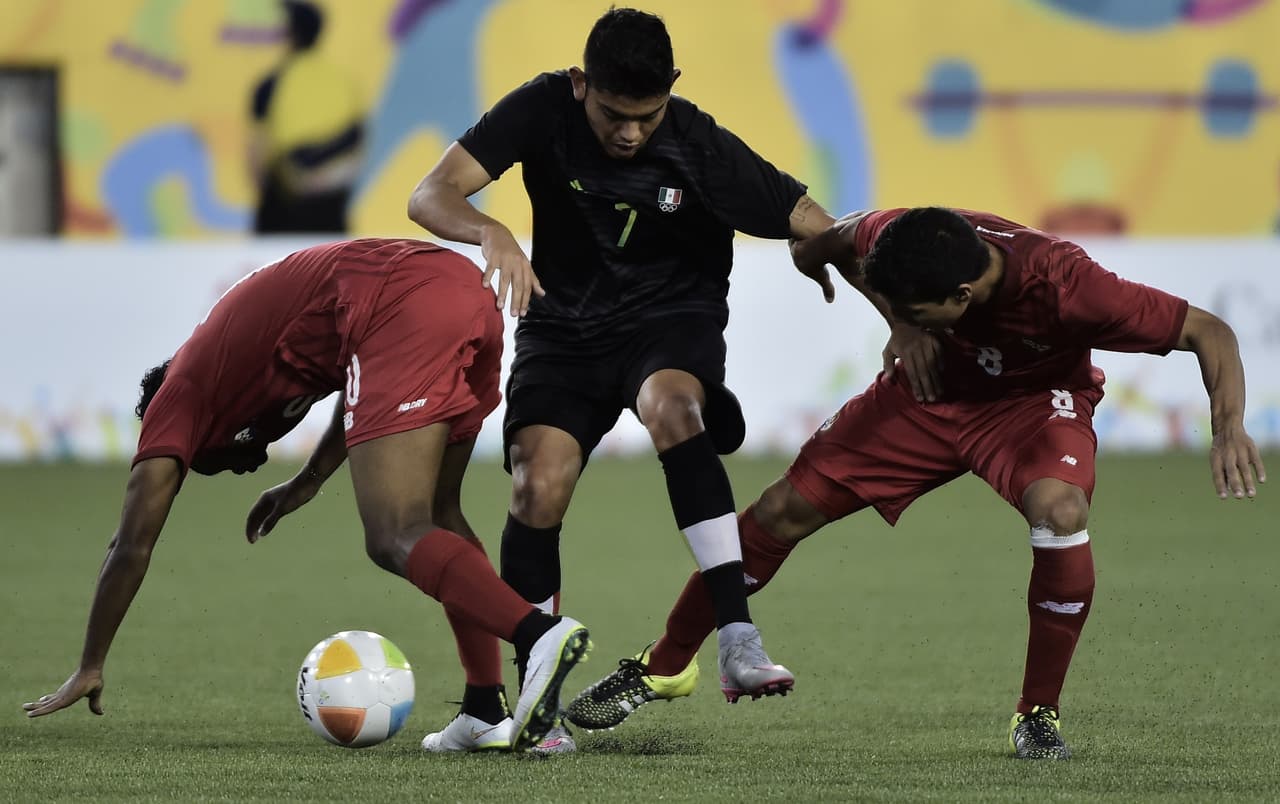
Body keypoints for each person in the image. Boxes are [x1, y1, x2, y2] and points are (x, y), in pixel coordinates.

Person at [565, 206, 1266, 760]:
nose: (900, 313)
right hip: (923, 399)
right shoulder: (906, 233)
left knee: (1060, 509)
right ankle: (665, 664)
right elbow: (825, 241)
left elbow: (1209, 331)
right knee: (778, 510)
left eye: (916, 310)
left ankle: (1037, 712)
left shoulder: (1070, 288)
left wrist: (1229, 427)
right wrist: (895, 319)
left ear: (962, 295)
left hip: (1028, 406)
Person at [407, 7, 837, 753]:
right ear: (582, 84)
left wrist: (885, 307)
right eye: (614, 114)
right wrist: (491, 230)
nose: (632, 133)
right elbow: (429, 193)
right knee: (536, 485)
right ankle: (539, 706)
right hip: (563, 329)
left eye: (648, 115)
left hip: (668, 320)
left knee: (672, 406)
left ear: (672, 89)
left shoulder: (698, 143)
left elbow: (814, 220)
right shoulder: (543, 107)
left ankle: (737, 638)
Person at [20, 238, 591, 754]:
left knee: (393, 533)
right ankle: (484, 710)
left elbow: (130, 546)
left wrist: (90, 663)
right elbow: (362, 385)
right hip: (461, 292)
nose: (243, 467)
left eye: (211, 465)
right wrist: (310, 479)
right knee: (440, 515)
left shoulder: (178, 397)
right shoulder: (234, 364)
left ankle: (537, 633)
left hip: (404, 302)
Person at [249, 1, 364, 234]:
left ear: (291, 34)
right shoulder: (342, 81)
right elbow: (358, 140)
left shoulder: (274, 83)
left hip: (286, 205)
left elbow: (257, 154)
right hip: (332, 204)